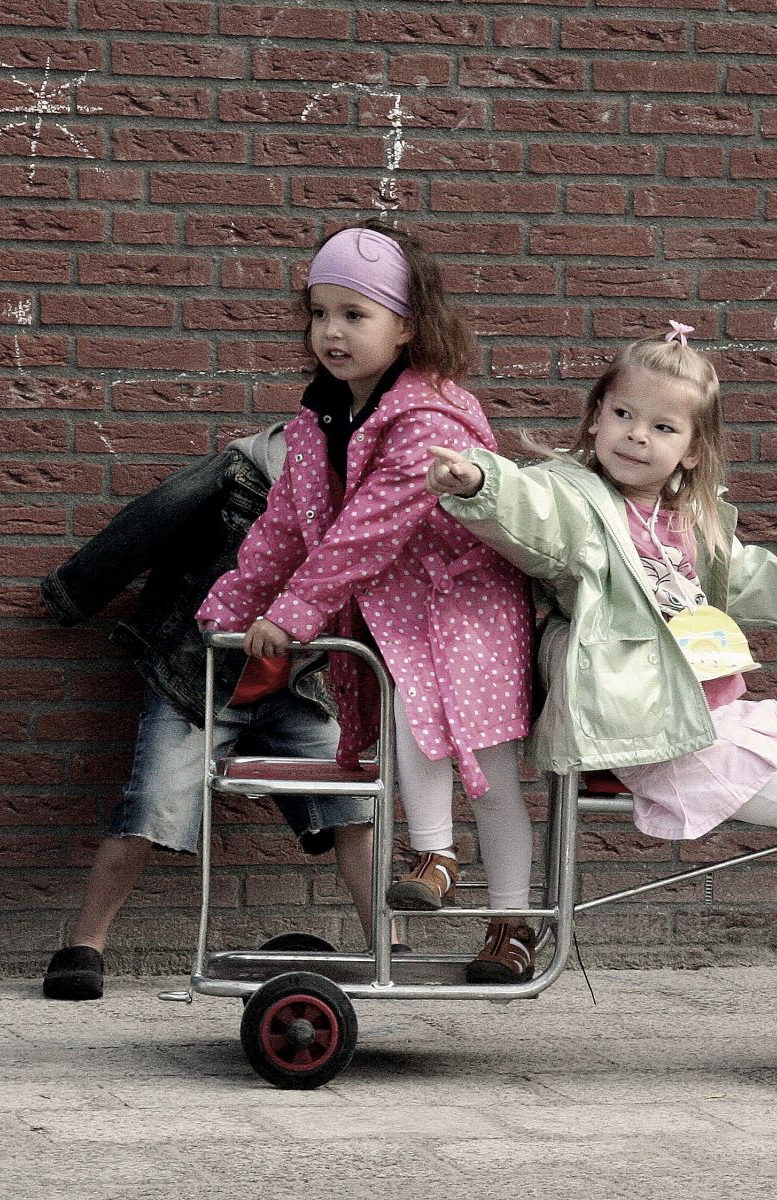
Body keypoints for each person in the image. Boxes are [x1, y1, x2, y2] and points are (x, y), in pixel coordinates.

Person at [424, 324, 777, 1030]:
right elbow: (533, 515)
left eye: (662, 425)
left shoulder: (684, 520)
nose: (636, 435)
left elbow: (746, 573)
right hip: (653, 737)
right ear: (594, 415)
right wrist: (483, 483)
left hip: (714, 718)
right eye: (622, 415)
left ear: (691, 448)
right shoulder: (580, 504)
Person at [197, 223, 537, 985]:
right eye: (320, 313)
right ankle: (435, 856)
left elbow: (363, 533)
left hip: (466, 606)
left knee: (487, 765)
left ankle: (511, 921)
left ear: (407, 326)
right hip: (398, 615)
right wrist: (229, 611)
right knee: (409, 725)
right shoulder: (321, 417)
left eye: (356, 314)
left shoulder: (429, 418)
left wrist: (291, 617)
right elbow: (286, 525)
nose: (332, 332)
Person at [40, 424, 377, 1001]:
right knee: (154, 801)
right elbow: (149, 521)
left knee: (355, 805)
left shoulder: (367, 503)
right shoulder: (241, 473)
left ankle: (385, 948)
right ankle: (84, 945)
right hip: (197, 680)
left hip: (297, 686)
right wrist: (74, 592)